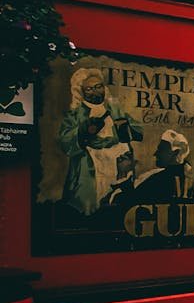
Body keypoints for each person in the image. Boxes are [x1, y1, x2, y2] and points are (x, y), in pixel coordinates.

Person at [56, 68, 144, 216]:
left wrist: (122, 123)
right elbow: (65, 141)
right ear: (81, 92)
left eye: (98, 86)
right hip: (92, 166)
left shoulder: (114, 108)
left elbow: (138, 131)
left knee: (119, 205)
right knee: (93, 208)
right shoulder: (76, 114)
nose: (95, 92)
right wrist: (85, 130)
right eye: (89, 89)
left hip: (119, 164)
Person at [106, 130, 191, 206]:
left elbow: (122, 202)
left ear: (175, 152)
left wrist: (123, 173)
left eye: (161, 149)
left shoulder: (160, 180)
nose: (155, 154)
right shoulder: (187, 175)